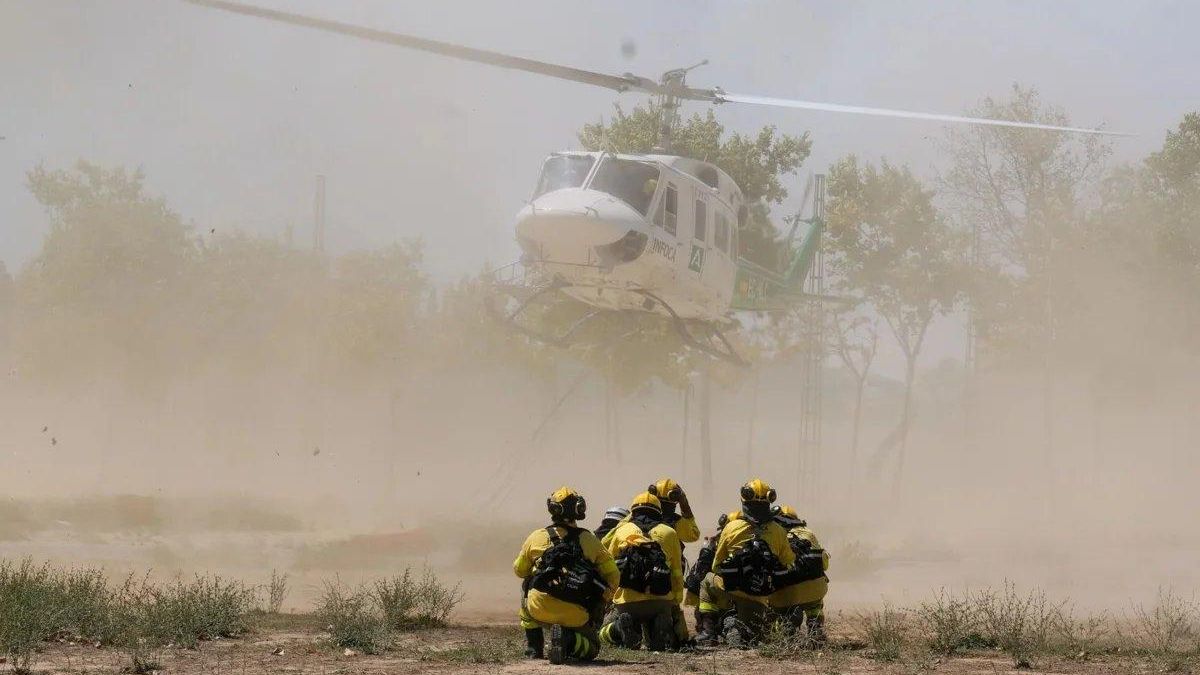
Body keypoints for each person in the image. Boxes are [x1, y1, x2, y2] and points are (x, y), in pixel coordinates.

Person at [514, 486, 620, 664]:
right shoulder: (589, 539)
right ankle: (568, 640)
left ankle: (534, 648)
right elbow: (613, 575)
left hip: (538, 610)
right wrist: (603, 600)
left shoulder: (536, 537)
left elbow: (519, 571)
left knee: (527, 583)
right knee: (592, 648)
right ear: (579, 509)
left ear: (552, 509)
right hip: (576, 614)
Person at [711, 479, 795, 647]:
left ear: (744, 501)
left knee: (707, 580)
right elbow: (788, 562)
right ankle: (738, 624)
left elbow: (716, 565)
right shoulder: (778, 531)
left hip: (731, 588)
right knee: (755, 637)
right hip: (761, 596)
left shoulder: (731, 527)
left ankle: (709, 629)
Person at [598, 492, 682, 651]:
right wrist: (674, 602)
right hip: (661, 601)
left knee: (602, 633)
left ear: (633, 511)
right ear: (659, 511)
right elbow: (676, 572)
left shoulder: (622, 530)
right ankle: (657, 627)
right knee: (656, 642)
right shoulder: (669, 532)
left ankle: (619, 628)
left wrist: (609, 598)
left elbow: (609, 568)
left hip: (627, 603)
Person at [768, 505, 830, 643]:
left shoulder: (774, 534)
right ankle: (816, 627)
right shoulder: (808, 532)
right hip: (816, 591)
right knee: (815, 603)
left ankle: (784, 631)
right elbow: (824, 564)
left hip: (786, 595)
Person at [686, 512, 735, 646]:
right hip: (753, 595)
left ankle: (708, 631)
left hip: (727, 593)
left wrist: (706, 551)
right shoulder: (757, 540)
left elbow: (695, 579)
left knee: (704, 580)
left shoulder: (723, 543)